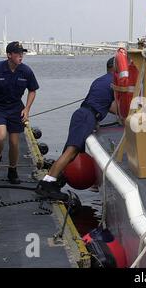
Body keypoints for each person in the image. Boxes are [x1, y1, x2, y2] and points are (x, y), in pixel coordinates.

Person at [35, 57, 117, 201]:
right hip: (86, 117)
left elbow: (102, 103)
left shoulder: (100, 81)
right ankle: (47, 184)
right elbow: (118, 108)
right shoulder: (113, 83)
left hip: (83, 115)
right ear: (115, 68)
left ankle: (53, 182)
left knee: (71, 153)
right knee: (70, 152)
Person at [0, 41, 39, 184]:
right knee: (0, 136)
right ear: (9, 55)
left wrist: (27, 109)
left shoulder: (26, 71)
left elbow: (32, 90)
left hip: (16, 108)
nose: (21, 56)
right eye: (17, 54)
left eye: (22, 53)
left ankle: (12, 170)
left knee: (14, 143)